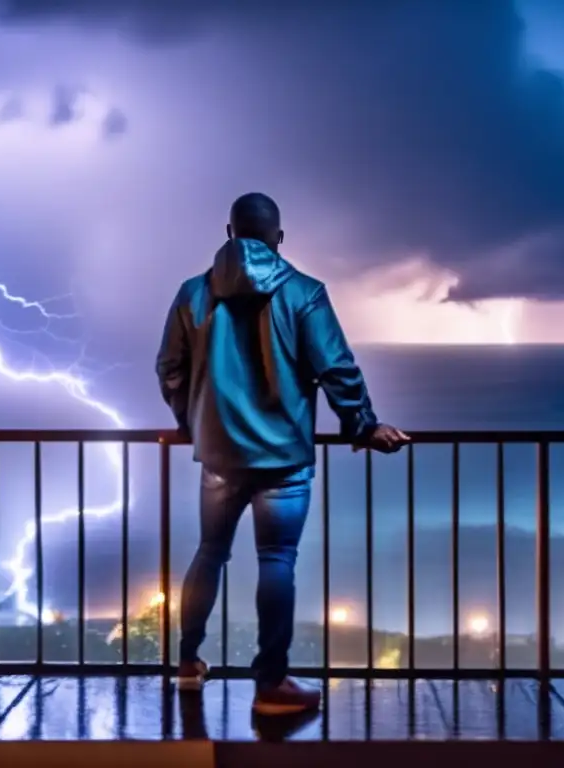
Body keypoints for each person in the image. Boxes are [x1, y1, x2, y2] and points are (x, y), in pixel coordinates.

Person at [155, 192, 410, 716]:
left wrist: (191, 422)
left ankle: (186, 664)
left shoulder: (192, 294)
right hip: (285, 461)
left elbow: (170, 369)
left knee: (210, 553)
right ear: (279, 238)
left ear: (229, 233)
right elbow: (337, 368)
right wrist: (363, 426)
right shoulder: (304, 293)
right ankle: (271, 685)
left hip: (220, 456)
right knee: (276, 561)